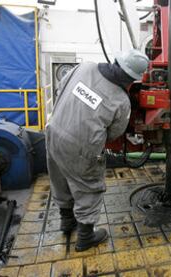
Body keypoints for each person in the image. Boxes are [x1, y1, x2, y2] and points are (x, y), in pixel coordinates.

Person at [46, 49, 149, 252]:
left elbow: (60, 88)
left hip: (53, 132)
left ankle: (67, 222)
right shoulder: (121, 100)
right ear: (132, 79)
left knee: (60, 178)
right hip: (82, 148)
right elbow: (114, 133)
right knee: (88, 187)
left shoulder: (85, 67)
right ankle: (85, 236)